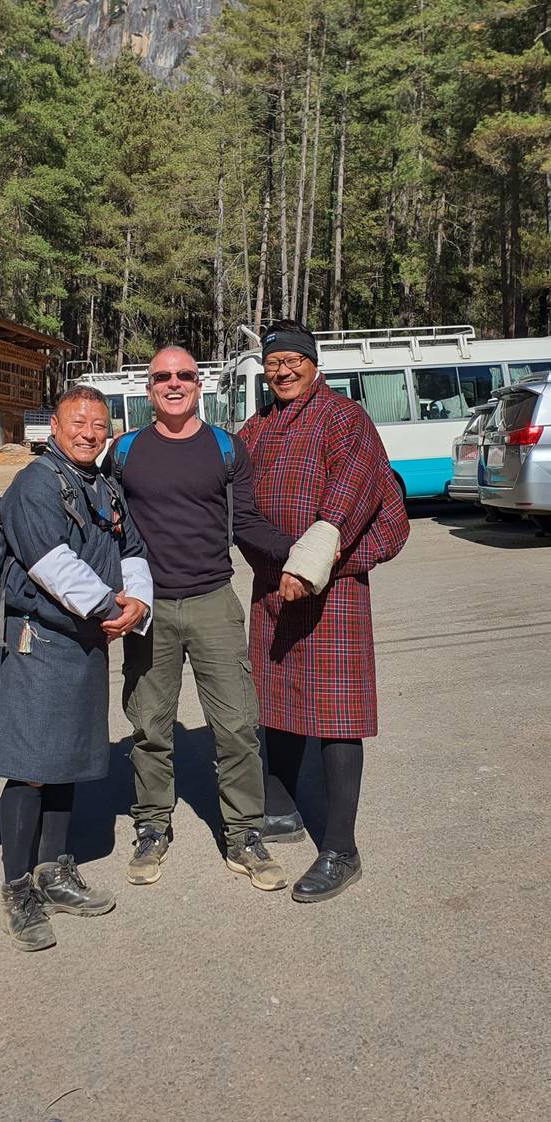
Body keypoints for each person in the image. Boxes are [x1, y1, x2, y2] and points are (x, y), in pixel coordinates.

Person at [103, 347, 295, 892]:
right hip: (148, 608)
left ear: (198, 385)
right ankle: (152, 825)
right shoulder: (125, 451)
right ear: (148, 390)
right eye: (161, 376)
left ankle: (244, 835)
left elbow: (248, 521)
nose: (173, 383)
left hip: (214, 600)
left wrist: (296, 551)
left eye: (183, 375)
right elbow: (102, 521)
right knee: (148, 724)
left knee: (236, 724)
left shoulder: (226, 448)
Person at [237, 318, 409, 904]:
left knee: (337, 713)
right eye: (274, 362)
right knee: (278, 698)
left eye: (294, 361)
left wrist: (307, 564)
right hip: (272, 584)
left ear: (314, 364)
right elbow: (236, 503)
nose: (283, 370)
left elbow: (349, 500)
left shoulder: (345, 420)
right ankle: (281, 811)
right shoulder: (255, 427)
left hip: (331, 587)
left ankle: (341, 848)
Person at [0, 385, 152, 950]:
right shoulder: (35, 484)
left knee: (70, 759)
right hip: (42, 643)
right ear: (52, 427)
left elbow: (133, 551)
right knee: (31, 764)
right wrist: (110, 607)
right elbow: (50, 562)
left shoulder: (104, 484)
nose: (88, 432)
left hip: (86, 641)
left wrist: (139, 603)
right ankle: (18, 889)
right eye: (77, 422)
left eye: (99, 424)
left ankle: (54, 872)